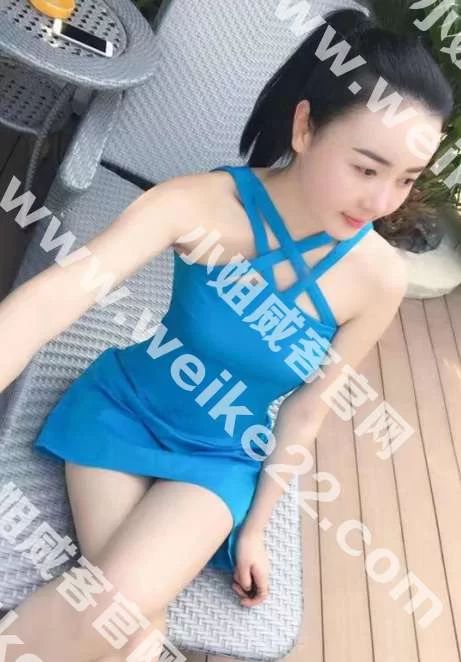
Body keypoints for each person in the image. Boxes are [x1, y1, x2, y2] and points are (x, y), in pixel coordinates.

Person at [0, 7, 454, 662]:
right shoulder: (201, 204)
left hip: (221, 455)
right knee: (126, 624)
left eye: (405, 179)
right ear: (305, 126)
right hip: (123, 411)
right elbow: (53, 300)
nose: (382, 203)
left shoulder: (377, 278)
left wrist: (256, 529)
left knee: (117, 610)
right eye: (365, 169)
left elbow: (306, 409)